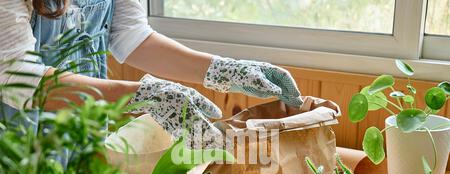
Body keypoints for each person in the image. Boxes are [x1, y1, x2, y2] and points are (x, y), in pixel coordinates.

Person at [0, 0, 303, 146]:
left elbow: (130, 35)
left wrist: (225, 70)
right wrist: (143, 97)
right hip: (17, 139)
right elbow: (16, 75)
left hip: (83, 129)